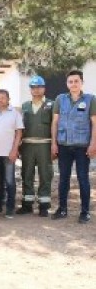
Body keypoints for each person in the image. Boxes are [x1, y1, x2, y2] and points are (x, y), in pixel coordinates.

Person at [51, 69, 96, 223]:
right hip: (64, 145)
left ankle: (85, 212)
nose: (73, 84)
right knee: (63, 178)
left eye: (76, 81)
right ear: (67, 84)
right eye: (71, 81)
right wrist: (53, 143)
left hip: (82, 146)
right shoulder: (60, 99)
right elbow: (55, 122)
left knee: (83, 179)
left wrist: (93, 144)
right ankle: (62, 209)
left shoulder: (90, 99)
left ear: (81, 82)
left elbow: (95, 124)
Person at [17, 76, 55, 216]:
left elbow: (55, 126)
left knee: (45, 174)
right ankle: (27, 204)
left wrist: (54, 146)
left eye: (39, 87)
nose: (36, 90)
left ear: (44, 88)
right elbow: (20, 127)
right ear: (30, 89)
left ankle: (44, 205)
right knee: (26, 174)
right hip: (27, 145)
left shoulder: (52, 104)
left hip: (45, 144)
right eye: (33, 87)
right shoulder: (25, 106)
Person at [0, 89, 24, 218]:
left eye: (3, 98)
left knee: (10, 181)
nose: (0, 100)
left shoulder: (15, 113)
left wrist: (14, 150)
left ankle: (10, 208)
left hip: (8, 154)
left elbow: (19, 133)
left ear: (8, 99)